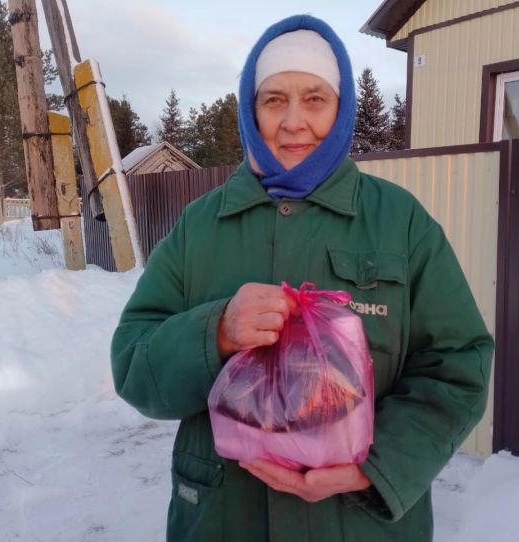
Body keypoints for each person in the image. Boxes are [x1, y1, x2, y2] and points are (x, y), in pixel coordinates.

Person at [111, 14, 493, 542]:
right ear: (250, 108)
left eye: (315, 98)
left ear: (341, 109)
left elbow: (457, 367)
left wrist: (373, 470)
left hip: (358, 523)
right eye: (274, 100)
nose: (293, 121)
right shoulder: (200, 226)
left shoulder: (400, 222)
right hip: (224, 520)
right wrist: (216, 331)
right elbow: (134, 366)